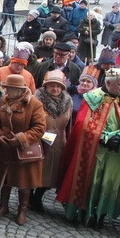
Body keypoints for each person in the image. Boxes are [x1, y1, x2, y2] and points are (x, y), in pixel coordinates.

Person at [57, 68, 120, 229]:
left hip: (116, 154)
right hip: (94, 151)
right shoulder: (91, 99)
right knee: (90, 181)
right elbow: (82, 124)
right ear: (108, 83)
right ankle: (82, 212)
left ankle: (101, 215)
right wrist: (104, 137)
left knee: (109, 185)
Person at [0, 74, 46, 226]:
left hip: (24, 151)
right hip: (6, 148)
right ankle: (3, 206)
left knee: (24, 182)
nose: (6, 91)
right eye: (6, 88)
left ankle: (22, 211)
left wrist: (21, 139)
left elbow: (39, 128)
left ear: (19, 90)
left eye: (9, 89)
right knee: (5, 179)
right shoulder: (3, 101)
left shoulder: (34, 104)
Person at [29, 70, 72, 214]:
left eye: (58, 86)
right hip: (38, 142)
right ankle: (28, 197)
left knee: (50, 174)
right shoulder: (36, 100)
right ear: (46, 86)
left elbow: (69, 125)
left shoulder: (67, 103)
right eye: (52, 86)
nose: (55, 89)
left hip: (58, 143)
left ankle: (37, 197)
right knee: (34, 171)